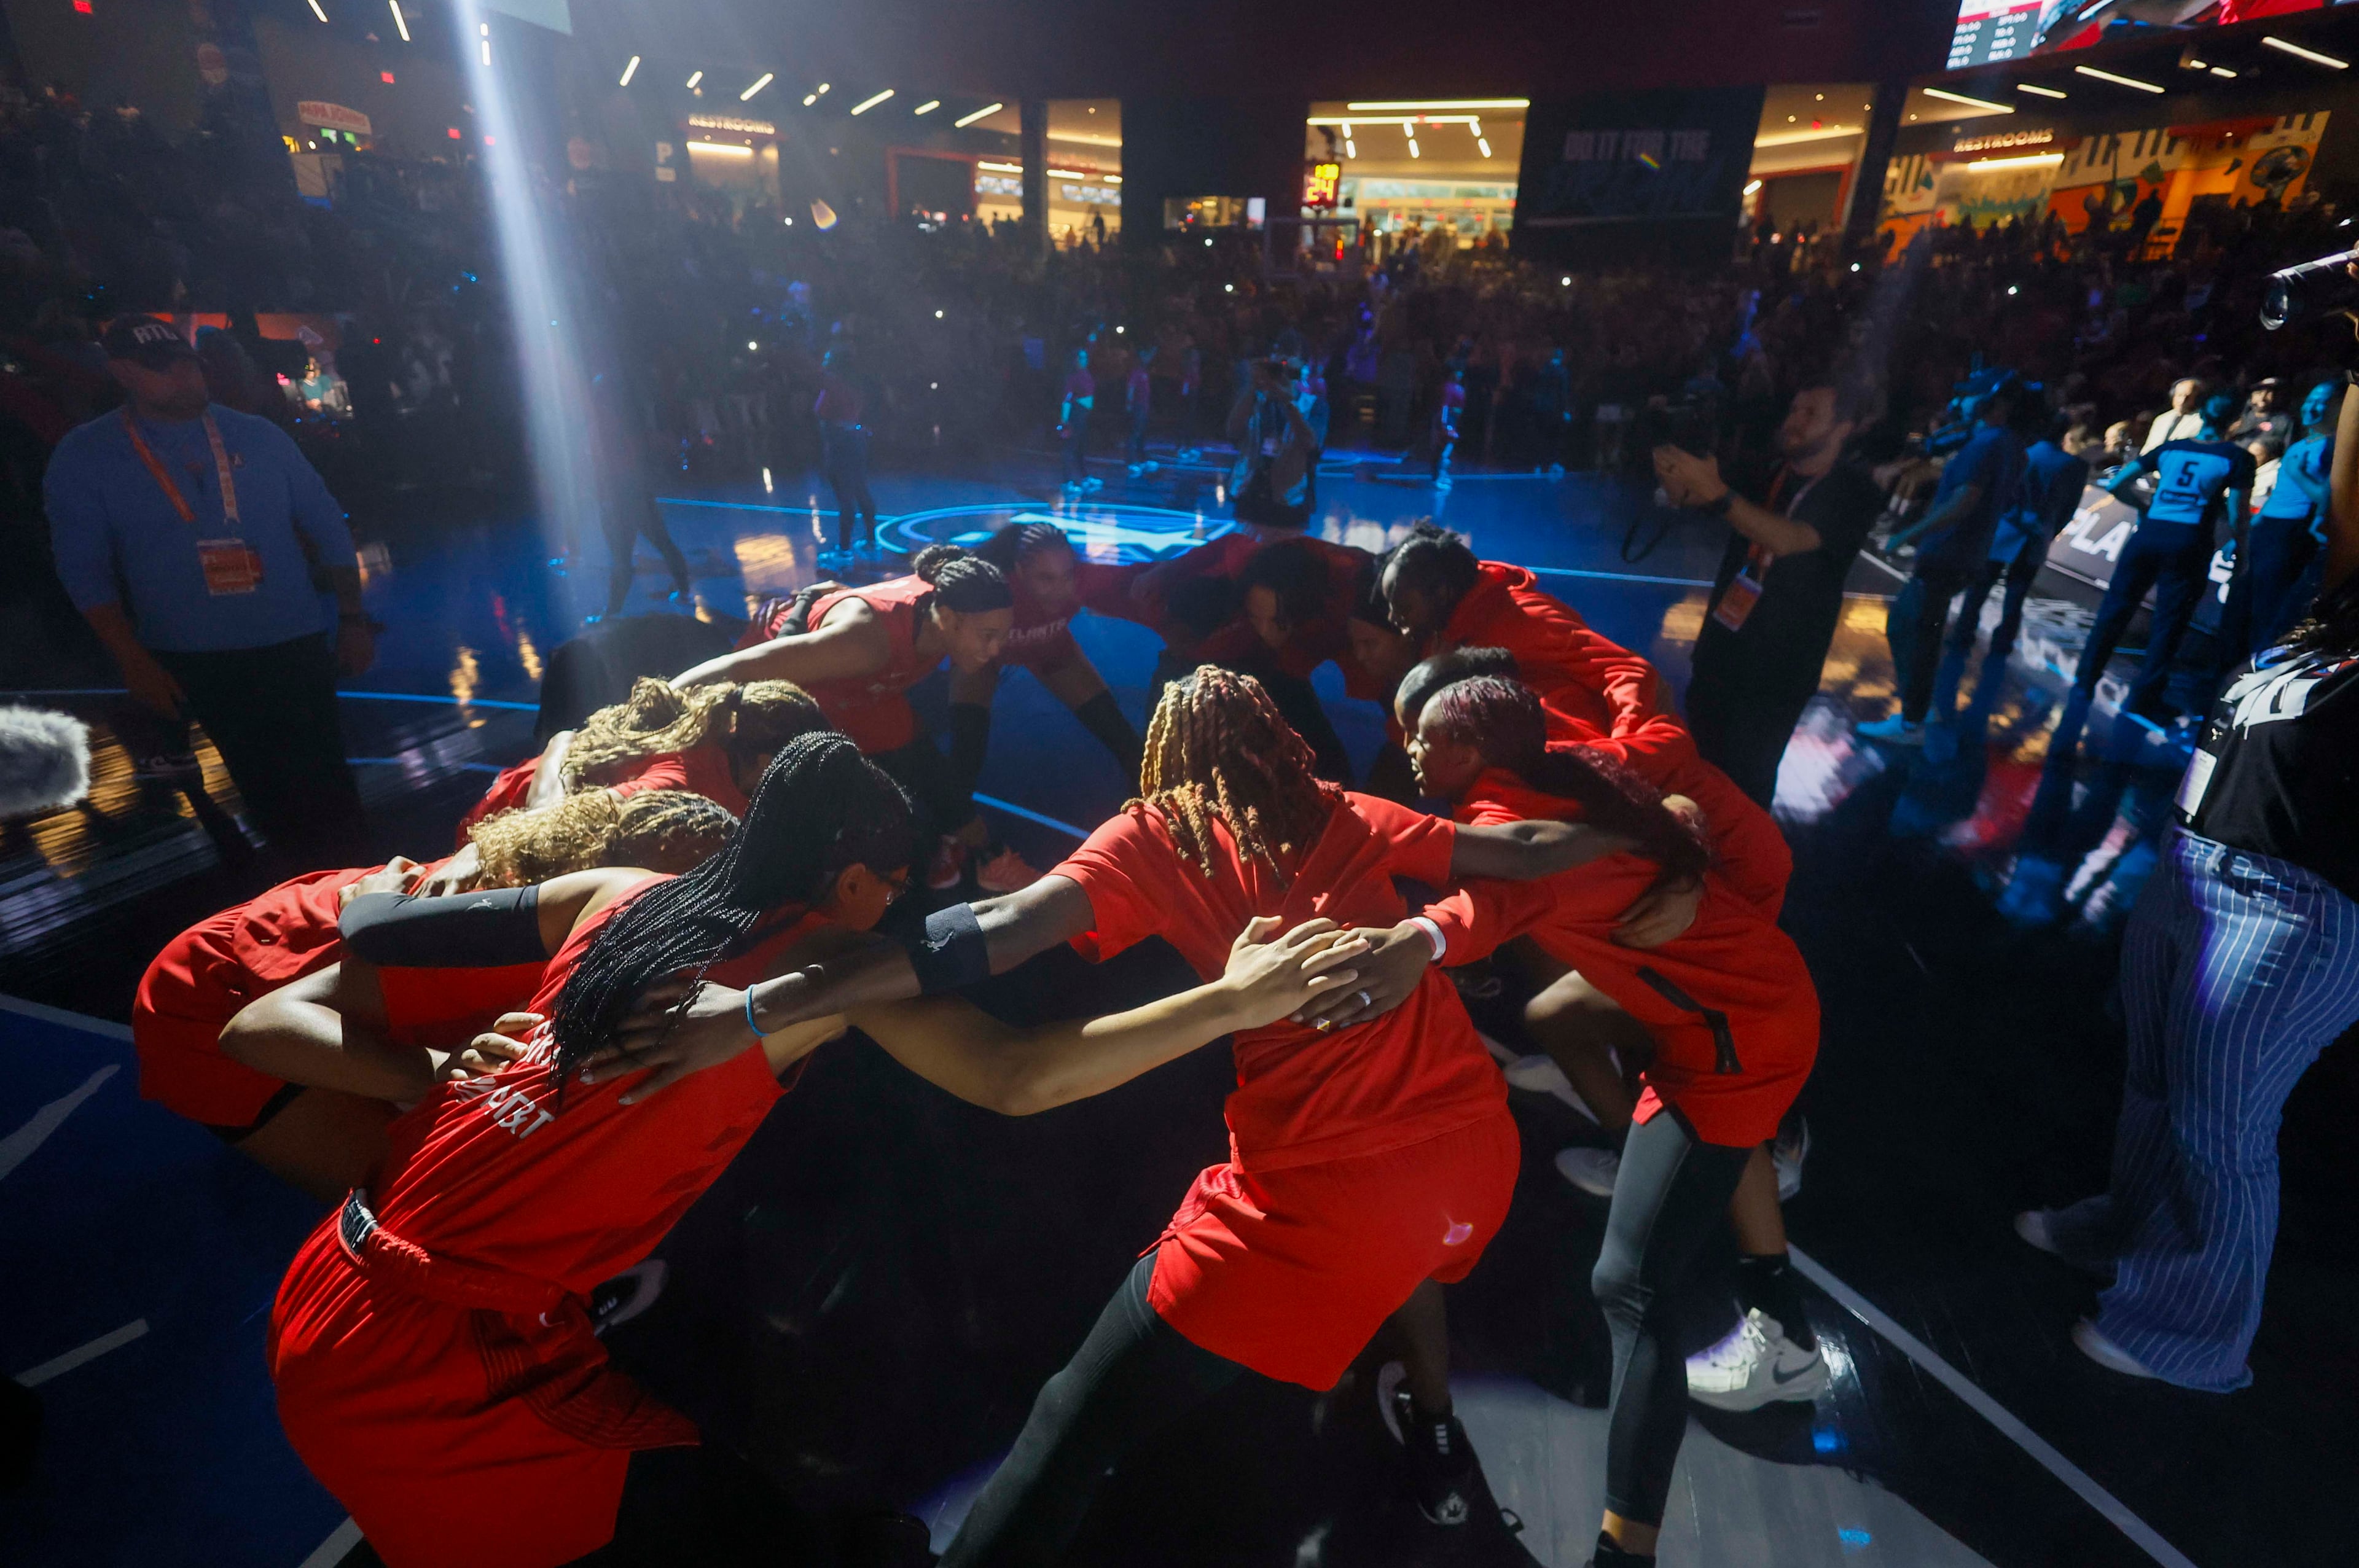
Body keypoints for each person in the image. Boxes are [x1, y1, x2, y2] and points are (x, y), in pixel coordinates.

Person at [595, 670, 1700, 1562]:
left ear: (1167, 765)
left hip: (1322, 1201)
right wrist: (1657, 825)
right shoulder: (1344, 809)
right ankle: (1436, 1423)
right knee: (1406, 1254)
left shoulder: (1155, 835)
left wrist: (754, 1005)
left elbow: (991, 931)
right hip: (1473, 1151)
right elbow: (1522, 853)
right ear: (1275, 741)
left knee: (1075, 1420)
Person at [265, 731, 1371, 1568]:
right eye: (892, 888)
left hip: (327, 1284)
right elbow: (1021, 1074)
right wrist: (1229, 1000)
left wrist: (427, 988)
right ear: (854, 882)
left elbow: (375, 929)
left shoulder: (620, 894)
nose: (895, 912)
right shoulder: (822, 977)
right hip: (449, 1364)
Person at [1406, 676, 1825, 1561]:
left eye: (1421, 734)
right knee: (1557, 1017)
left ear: (1476, 747)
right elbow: (1659, 767)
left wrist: (1384, 940)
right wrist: (1677, 834)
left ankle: (1624, 1550)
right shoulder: (1573, 767)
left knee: (1629, 1286)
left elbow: (1479, 899)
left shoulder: (1535, 841)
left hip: (1734, 1034)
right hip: (1723, 995)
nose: (1406, 747)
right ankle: (1661, 1149)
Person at [2016, 319, 2359, 1391]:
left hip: (2294, 908)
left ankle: (2193, 1334)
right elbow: (2350, 497)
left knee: (2222, 1129)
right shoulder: (2338, 607)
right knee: (2159, 1088)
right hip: (2198, 868)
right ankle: (2127, 1228)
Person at [135, 789, 737, 1198]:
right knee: (428, 1195)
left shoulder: (579, 886)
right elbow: (258, 1031)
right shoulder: (512, 942)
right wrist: (437, 1072)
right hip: (208, 1010)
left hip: (306, 971)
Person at [44, 314, 371, 864]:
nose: (184, 377)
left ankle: (366, 895)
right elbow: (83, 569)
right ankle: (310, 905)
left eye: (188, 365)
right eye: (162, 368)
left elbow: (328, 526)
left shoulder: (256, 435)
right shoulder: (87, 456)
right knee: (266, 793)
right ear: (122, 372)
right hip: (194, 655)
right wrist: (132, 660)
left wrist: (354, 619)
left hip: (292, 638)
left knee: (329, 783)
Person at [675, 545, 1026, 888]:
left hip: (865, 691)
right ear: (948, 620)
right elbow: (734, 669)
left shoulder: (952, 596)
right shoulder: (864, 643)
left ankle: (974, 854)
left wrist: (812, 599)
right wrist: (652, 706)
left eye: (1003, 635)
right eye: (988, 637)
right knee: (821, 825)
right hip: (784, 690)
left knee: (943, 792)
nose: (997, 650)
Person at [1653, 377, 1884, 806]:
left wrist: (1720, 494)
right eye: (1794, 410)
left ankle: (1741, 870)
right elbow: (1685, 497)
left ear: (1843, 429)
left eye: (1810, 414)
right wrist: (1671, 467)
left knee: (1746, 787)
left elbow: (1789, 539)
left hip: (1778, 668)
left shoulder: (1853, 491)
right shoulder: (1767, 470)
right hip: (1721, 648)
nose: (1794, 421)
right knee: (1700, 769)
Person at [454, 678, 826, 851]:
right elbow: (547, 818)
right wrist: (562, 740)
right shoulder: (679, 784)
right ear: (764, 764)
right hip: (503, 819)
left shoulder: (725, 748)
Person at [1862, 379, 2026, 744]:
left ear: (1992, 404)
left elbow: (1964, 501)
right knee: (1924, 631)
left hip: (1947, 553)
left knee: (1908, 629)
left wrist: (1908, 533)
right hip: (1968, 553)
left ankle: (1912, 721)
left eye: (1970, 396)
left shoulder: (1985, 444)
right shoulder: (2012, 445)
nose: (1961, 402)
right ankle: (1921, 709)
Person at [2073, 392, 2253, 724]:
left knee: (2115, 609)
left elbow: (2118, 483)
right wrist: (2241, 553)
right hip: (2189, 542)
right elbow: (2238, 513)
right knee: (2169, 623)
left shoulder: (2171, 448)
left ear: (2202, 416)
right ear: (2235, 421)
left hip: (2150, 534)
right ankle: (2144, 699)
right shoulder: (2237, 457)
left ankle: (2084, 681)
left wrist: (2145, 507)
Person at [967, 521, 1143, 779]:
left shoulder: (1083, 580)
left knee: (1120, 735)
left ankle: (1155, 811)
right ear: (1019, 571)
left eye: (1066, 576)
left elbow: (1150, 580)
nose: (1060, 590)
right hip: (986, 655)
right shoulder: (987, 588)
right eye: (1046, 578)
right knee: (967, 744)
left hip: (1051, 648)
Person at [1946, 407, 2091, 673]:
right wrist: (2051, 529)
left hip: (2006, 528)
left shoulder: (2023, 454)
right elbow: (2069, 509)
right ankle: (2003, 644)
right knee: (2017, 594)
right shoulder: (2075, 466)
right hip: (2037, 534)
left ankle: (1962, 635)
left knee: (1979, 588)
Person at [2216, 378, 2338, 669]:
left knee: (2263, 612)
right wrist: (2246, 532)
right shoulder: (2303, 443)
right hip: (2268, 531)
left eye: (2322, 402)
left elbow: (2328, 497)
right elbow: (2278, 498)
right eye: (2310, 400)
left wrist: (2298, 474)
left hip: (2290, 536)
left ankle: (2248, 676)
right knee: (2237, 607)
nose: (2313, 407)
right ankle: (2215, 680)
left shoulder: (2335, 447)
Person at [590, 378, 692, 622]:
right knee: (661, 543)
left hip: (623, 496)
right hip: (635, 493)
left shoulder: (607, 425)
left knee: (623, 557)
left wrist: (608, 497)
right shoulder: (626, 420)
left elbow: (612, 464)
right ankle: (685, 592)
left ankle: (612, 613)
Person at [1228, 356, 1320, 528]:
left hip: (1290, 502)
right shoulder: (1255, 401)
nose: (1278, 378)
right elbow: (1233, 431)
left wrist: (1288, 403)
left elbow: (1311, 444)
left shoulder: (1313, 405)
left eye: (1284, 372)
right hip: (1250, 496)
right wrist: (1253, 386)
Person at [815, 346, 880, 561]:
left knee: (845, 497)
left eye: (827, 358)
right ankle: (871, 540)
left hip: (839, 444)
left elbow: (821, 412)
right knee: (861, 490)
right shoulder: (856, 385)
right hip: (855, 441)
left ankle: (844, 549)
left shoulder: (833, 386)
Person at [1058, 348, 1097, 493]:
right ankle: (1067, 482)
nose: (1084, 360)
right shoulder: (1072, 377)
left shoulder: (1086, 374)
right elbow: (1067, 400)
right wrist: (1064, 421)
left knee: (1081, 447)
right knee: (1070, 448)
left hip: (1084, 415)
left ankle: (1085, 477)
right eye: (1081, 358)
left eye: (1085, 358)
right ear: (1075, 360)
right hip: (1075, 415)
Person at [2142, 376, 2207, 454]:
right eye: (2180, 395)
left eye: (2188, 397)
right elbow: (2148, 448)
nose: (2182, 401)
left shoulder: (2203, 420)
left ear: (2198, 398)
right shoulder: (2161, 419)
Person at [1123, 343, 1156, 476]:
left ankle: (1142, 459)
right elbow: (1130, 388)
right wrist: (1130, 404)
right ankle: (1131, 461)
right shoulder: (1136, 372)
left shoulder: (1144, 371)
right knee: (1135, 433)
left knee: (1142, 433)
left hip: (1144, 406)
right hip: (1138, 407)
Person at [1431, 364, 1464, 486]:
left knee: (1449, 448)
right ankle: (1437, 477)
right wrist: (1444, 423)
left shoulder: (1458, 388)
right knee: (1443, 448)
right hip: (1447, 419)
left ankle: (1442, 474)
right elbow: (1445, 406)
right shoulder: (1448, 388)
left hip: (1453, 419)